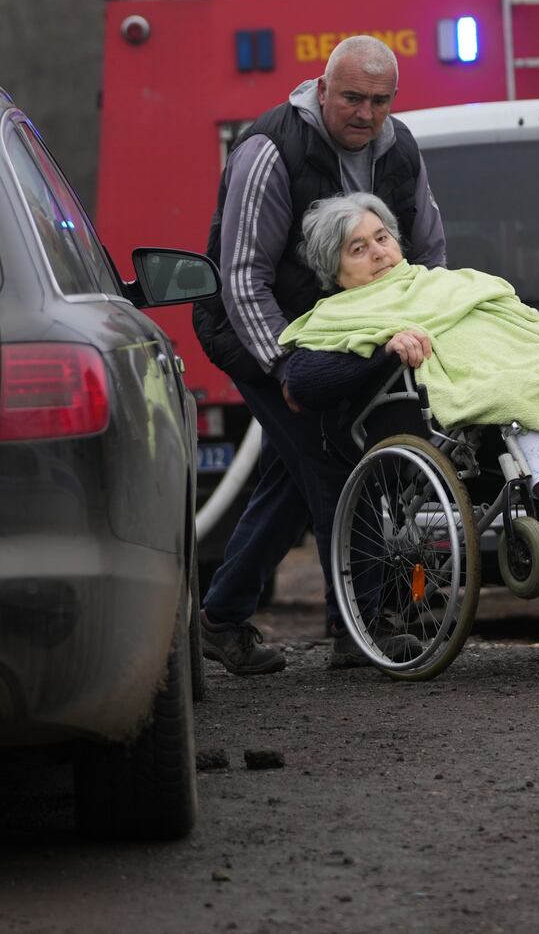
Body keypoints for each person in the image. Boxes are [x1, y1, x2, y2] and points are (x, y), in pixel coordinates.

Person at [279, 193, 539, 586]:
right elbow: (301, 382)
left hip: (517, 367)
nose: (378, 252)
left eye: (382, 237)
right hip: (467, 406)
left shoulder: (451, 283)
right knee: (521, 396)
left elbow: (519, 324)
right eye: (358, 249)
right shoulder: (337, 315)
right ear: (333, 269)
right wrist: (384, 349)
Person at [191, 36, 447, 674]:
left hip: (342, 333)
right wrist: (287, 372)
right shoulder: (270, 149)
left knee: (292, 479)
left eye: (380, 101)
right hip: (254, 333)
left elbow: (429, 249)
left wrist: (436, 316)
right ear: (323, 88)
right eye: (354, 97)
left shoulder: (400, 147)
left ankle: (218, 621)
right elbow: (242, 277)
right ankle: (359, 630)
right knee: (331, 458)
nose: (366, 114)